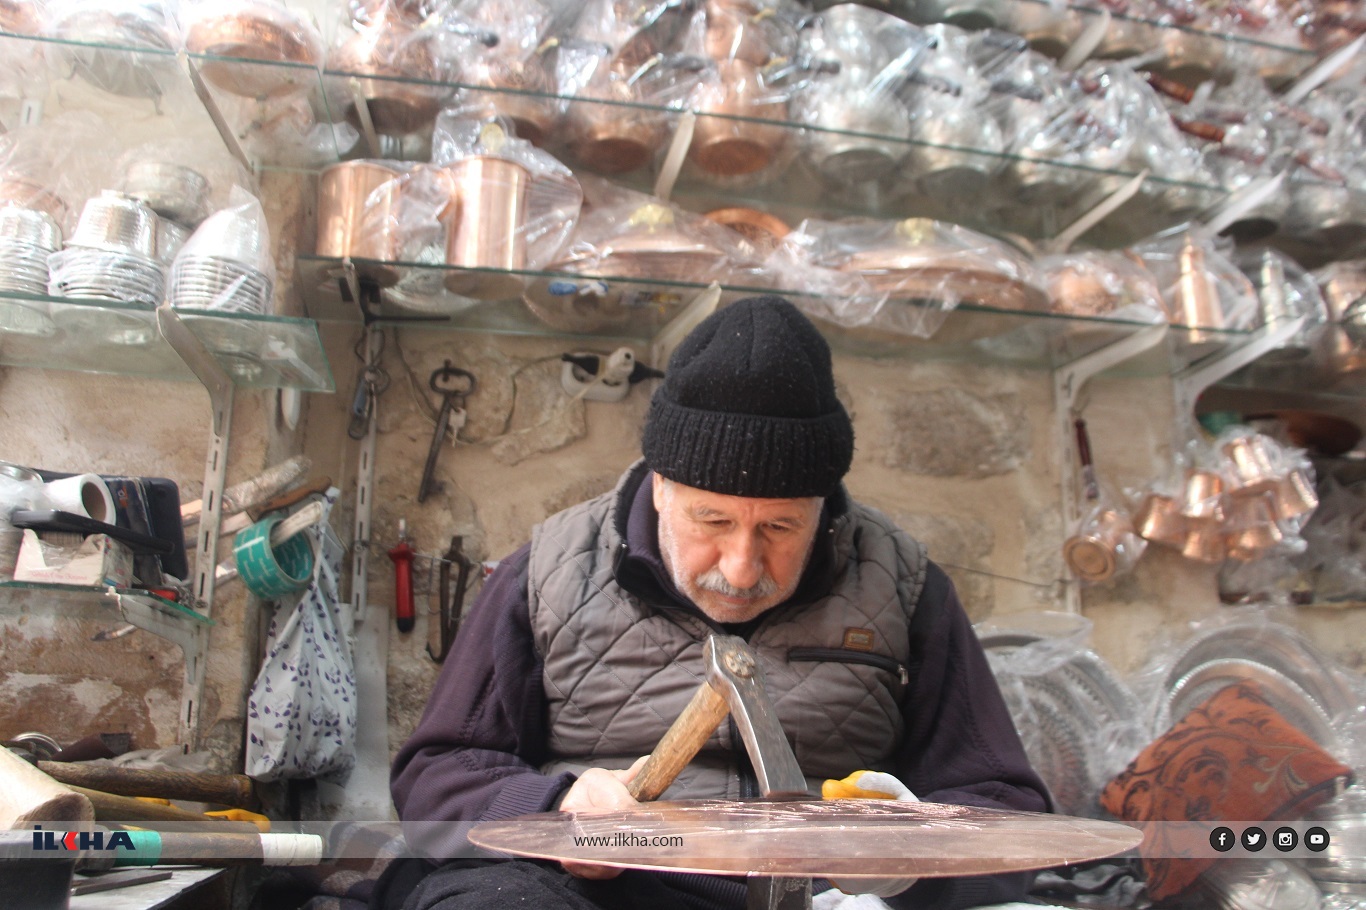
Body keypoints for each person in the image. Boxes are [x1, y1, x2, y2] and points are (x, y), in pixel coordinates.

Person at [383, 296, 1051, 910]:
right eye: (713, 522)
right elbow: (436, 779)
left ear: (823, 509)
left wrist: (909, 857)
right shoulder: (552, 570)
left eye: (780, 528)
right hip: (601, 893)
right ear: (661, 487)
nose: (741, 567)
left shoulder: (902, 584)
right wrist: (555, 806)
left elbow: (1011, 812)